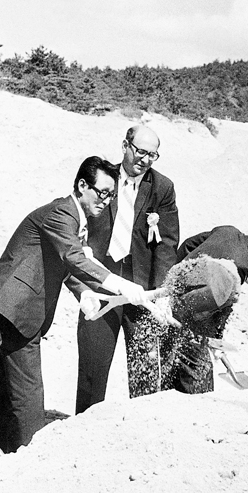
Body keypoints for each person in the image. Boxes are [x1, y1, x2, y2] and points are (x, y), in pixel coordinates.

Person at [0, 156, 147, 454]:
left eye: (111, 195)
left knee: (5, 390)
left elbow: (65, 263)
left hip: (13, 310)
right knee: (28, 394)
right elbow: (75, 258)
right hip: (15, 309)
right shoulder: (63, 213)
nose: (106, 201)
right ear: (82, 185)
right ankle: (31, 458)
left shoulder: (72, 217)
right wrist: (120, 284)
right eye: (102, 193)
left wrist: (84, 294)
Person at [76, 125, 179, 413]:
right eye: (140, 151)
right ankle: (85, 428)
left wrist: (160, 294)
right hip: (102, 285)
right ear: (125, 146)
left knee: (145, 368)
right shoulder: (102, 177)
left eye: (152, 155)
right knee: (92, 368)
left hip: (142, 289)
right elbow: (79, 217)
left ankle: (141, 426)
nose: (145, 159)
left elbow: (168, 244)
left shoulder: (162, 188)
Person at [161, 218, 248, 394]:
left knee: (173, 366)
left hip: (173, 301)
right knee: (198, 378)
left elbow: (189, 245)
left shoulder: (228, 231)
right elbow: (220, 307)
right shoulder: (240, 266)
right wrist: (215, 339)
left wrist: (174, 282)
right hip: (191, 313)